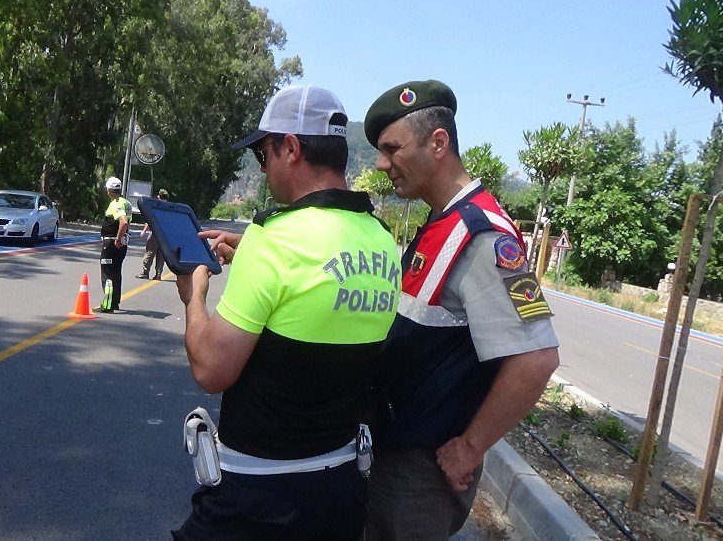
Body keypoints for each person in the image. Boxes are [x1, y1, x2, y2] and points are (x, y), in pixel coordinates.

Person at [171, 85, 401, 540]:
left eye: (263, 154)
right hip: (341, 490)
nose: (263, 168)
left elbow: (211, 369)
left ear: (290, 148)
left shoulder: (273, 239)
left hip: (259, 498)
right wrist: (254, 256)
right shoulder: (381, 240)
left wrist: (192, 294)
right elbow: (317, 290)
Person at [361, 80, 560, 539]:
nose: (381, 163)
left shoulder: (485, 235)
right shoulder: (441, 220)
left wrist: (470, 448)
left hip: (419, 474)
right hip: (395, 453)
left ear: (438, 142)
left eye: (392, 149)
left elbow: (537, 357)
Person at [98, 176, 132, 314]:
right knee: (116, 273)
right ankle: (115, 302)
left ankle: (108, 305)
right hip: (121, 244)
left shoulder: (116, 203)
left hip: (112, 243)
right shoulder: (126, 202)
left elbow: (123, 221)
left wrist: (117, 238)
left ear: (110, 190)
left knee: (107, 273)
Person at [136, 188, 169, 280]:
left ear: (159, 196)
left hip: (155, 233)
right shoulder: (168, 207)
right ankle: (158, 274)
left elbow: (150, 220)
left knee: (150, 253)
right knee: (161, 255)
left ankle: (145, 273)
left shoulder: (156, 206)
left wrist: (144, 231)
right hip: (165, 235)